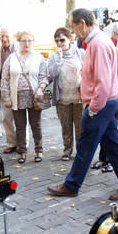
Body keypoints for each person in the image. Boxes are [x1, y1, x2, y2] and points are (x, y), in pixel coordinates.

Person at [47, 8, 118, 200]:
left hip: (101, 104)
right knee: (113, 146)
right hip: (105, 103)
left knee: (86, 146)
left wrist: (93, 109)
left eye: (73, 27)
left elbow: (103, 83)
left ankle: (72, 185)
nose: (72, 32)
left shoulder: (97, 44)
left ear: (82, 23)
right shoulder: (98, 42)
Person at [0, 31, 48, 164]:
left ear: (33, 42)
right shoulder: (11, 58)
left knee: (36, 125)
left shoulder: (39, 58)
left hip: (34, 96)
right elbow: (4, 79)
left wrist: (41, 89)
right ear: (19, 42)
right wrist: (6, 97)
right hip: (16, 97)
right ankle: (22, 152)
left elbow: (44, 77)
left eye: (29, 41)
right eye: (24, 41)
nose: (26, 43)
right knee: (20, 126)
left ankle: (39, 150)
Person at [92, 48, 118, 172]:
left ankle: (111, 161)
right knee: (103, 131)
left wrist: (113, 88)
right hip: (99, 98)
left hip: (111, 99)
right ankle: (103, 159)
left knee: (112, 133)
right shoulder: (94, 51)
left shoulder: (114, 51)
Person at [47, 27, 84, 160]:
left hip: (79, 96)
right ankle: (67, 150)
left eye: (62, 40)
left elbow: (86, 71)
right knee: (66, 127)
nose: (59, 44)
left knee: (80, 128)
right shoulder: (54, 56)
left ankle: (81, 152)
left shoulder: (80, 53)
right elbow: (52, 74)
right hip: (63, 97)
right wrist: (59, 58)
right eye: (56, 41)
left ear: (70, 39)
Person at [0, 27, 18, 153]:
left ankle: (22, 144)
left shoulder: (19, 48)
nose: (4, 39)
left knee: (20, 118)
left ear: (13, 36)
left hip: (18, 88)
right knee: (6, 118)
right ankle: (11, 143)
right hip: (4, 88)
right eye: (1, 36)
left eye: (6, 36)